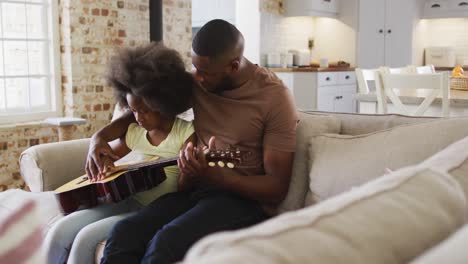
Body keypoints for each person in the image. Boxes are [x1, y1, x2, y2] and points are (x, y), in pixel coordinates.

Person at [91, 19, 298, 264]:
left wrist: (222, 178)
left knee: (166, 242)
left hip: (244, 204)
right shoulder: (201, 81)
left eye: (205, 73)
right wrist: (99, 138)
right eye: (194, 67)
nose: (196, 78)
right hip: (198, 192)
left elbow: (276, 188)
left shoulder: (274, 98)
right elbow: (144, 107)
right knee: (123, 233)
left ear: (233, 66)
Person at [44, 43, 196, 264]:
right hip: (127, 200)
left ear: (163, 104)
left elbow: (183, 191)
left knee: (86, 238)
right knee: (60, 230)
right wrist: (102, 163)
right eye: (133, 110)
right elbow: (109, 156)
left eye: (144, 111)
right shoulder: (135, 131)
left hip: (151, 211)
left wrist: (189, 173)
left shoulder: (186, 134)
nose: (138, 118)